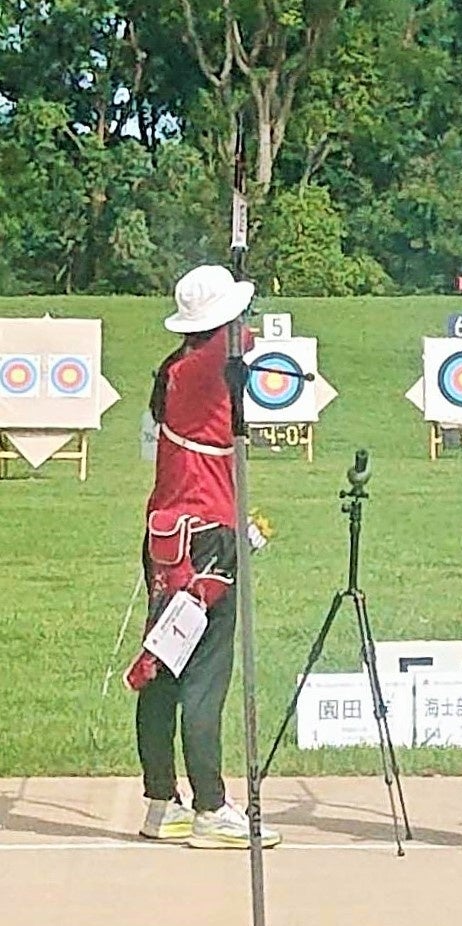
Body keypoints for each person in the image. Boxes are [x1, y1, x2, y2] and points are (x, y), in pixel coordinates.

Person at [126, 263, 281, 850]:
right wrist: (244, 282)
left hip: (167, 534)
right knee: (206, 673)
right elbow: (246, 338)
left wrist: (235, 290)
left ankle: (160, 801)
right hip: (208, 539)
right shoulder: (212, 361)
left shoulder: (174, 367)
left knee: (162, 664)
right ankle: (211, 807)